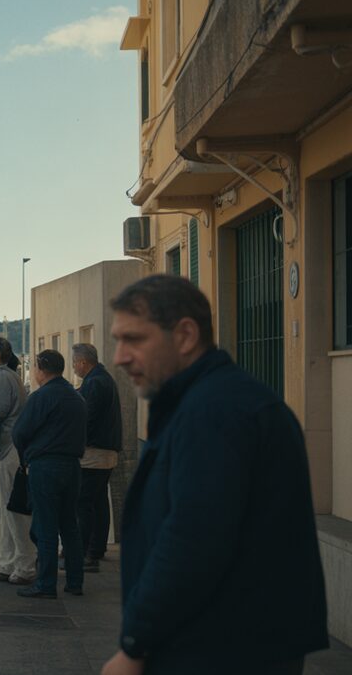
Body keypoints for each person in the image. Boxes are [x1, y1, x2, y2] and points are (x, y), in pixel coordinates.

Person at [101, 275, 328, 675]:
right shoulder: (215, 402)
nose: (119, 357)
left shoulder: (212, 413)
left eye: (134, 339)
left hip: (219, 648)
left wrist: (134, 644)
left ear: (185, 335)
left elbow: (192, 539)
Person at [11, 349, 86, 599]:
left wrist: (26, 459)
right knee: (69, 526)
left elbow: (20, 432)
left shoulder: (41, 397)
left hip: (45, 465)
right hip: (73, 466)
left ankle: (46, 584)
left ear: (41, 369)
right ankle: (75, 582)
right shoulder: (77, 397)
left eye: (34, 367)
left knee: (45, 527)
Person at [0, 335, 35, 586]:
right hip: (8, 449)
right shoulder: (5, 376)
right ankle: (8, 563)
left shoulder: (0, 379)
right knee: (3, 511)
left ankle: (23, 566)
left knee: (12, 512)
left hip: (9, 450)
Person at [70, 342, 121, 572]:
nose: (73, 369)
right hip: (106, 451)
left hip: (94, 453)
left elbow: (86, 418)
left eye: (74, 364)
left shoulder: (94, 383)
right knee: (98, 501)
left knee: (83, 503)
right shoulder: (103, 379)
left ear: (82, 363)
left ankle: (84, 554)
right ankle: (96, 548)